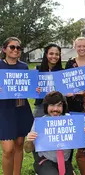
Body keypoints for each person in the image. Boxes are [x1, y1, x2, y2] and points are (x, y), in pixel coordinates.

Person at [25, 91, 85, 175]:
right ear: (46, 106)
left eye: (59, 105)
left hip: (64, 161)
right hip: (46, 160)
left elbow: (82, 141)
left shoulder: (70, 120)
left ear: (63, 106)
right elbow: (28, 150)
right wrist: (29, 140)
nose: (55, 109)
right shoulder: (40, 122)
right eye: (52, 105)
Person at [0, 37, 34, 175]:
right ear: (4, 49)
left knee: (19, 144)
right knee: (8, 149)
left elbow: (27, 87)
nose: (15, 50)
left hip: (21, 109)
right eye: (12, 47)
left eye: (18, 48)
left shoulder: (24, 66)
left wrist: (34, 89)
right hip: (4, 110)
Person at [34, 43, 63, 118]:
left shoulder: (63, 72)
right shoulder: (37, 70)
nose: (54, 56)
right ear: (46, 55)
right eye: (51, 53)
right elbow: (31, 89)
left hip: (58, 107)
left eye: (57, 54)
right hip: (41, 106)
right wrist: (35, 89)